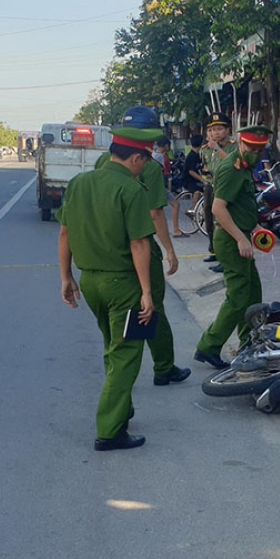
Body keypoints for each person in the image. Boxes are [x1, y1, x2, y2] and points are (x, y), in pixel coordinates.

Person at [58, 127, 158, 452]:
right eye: (145, 159)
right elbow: (139, 242)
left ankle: (122, 408)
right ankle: (109, 430)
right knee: (127, 353)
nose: (145, 166)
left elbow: (64, 234)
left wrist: (66, 277)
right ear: (135, 157)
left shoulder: (79, 183)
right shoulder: (130, 189)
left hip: (90, 283)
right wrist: (147, 292)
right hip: (122, 285)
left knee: (112, 346)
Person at [93, 107, 191, 389]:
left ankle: (115, 369)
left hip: (110, 248)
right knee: (153, 306)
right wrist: (170, 250)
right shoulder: (148, 163)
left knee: (116, 314)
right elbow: (155, 213)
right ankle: (163, 367)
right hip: (141, 245)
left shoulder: (105, 160)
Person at [193, 126, 270, 369]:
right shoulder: (231, 169)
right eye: (250, 148)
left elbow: (240, 206)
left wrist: (255, 228)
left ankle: (250, 342)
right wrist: (240, 238)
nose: (255, 153)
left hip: (241, 235)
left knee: (253, 293)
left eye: (260, 149)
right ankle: (209, 346)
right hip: (229, 240)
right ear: (239, 143)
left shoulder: (243, 168)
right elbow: (218, 209)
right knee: (238, 298)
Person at [202, 112, 233, 273]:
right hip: (210, 185)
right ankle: (214, 250)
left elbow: (233, 163)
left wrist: (218, 148)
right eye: (212, 130)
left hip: (225, 187)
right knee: (208, 217)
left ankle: (225, 257)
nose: (215, 132)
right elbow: (205, 167)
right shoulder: (206, 149)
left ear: (227, 130)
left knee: (221, 221)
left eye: (219, 129)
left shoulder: (232, 144)